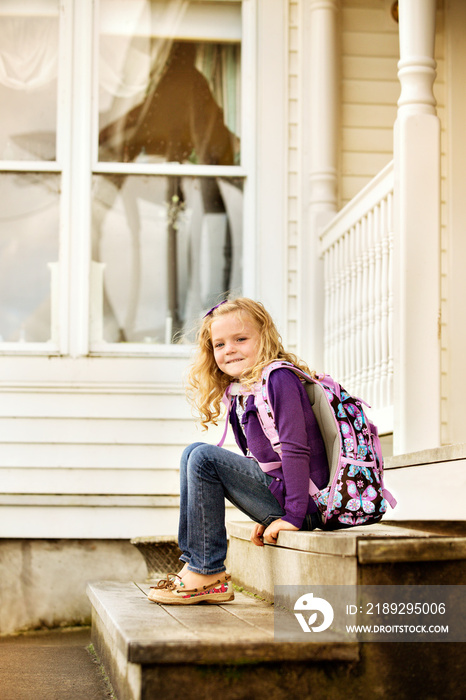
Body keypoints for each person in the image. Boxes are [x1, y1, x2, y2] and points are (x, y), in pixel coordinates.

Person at [148, 297, 329, 605]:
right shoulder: (241, 393)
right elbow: (259, 464)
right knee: (193, 452)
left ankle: (208, 570)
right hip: (288, 500)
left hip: (312, 506)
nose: (228, 349)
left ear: (265, 338)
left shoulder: (279, 379)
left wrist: (294, 515)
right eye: (219, 344)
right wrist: (271, 511)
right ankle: (196, 563)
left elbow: (296, 451)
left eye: (240, 339)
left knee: (203, 457)